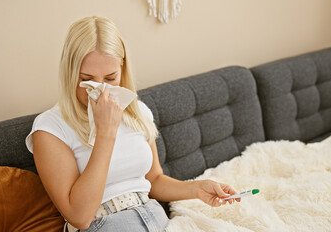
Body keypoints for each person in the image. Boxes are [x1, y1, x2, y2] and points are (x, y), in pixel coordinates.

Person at [25, 16, 240, 232]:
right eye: (87, 79)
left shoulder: (137, 111)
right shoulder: (50, 128)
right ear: (70, 73)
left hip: (155, 216)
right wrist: (105, 134)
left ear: (122, 70)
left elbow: (154, 180)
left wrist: (197, 189)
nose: (102, 90)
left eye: (110, 78)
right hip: (105, 224)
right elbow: (79, 217)